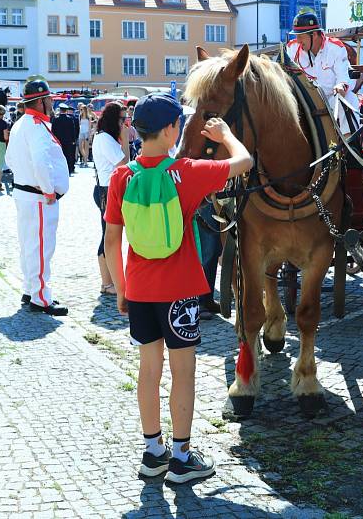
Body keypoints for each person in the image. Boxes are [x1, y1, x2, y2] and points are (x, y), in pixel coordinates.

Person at [103, 94, 252, 483]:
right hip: (180, 288)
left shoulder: (122, 176)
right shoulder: (185, 172)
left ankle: (154, 453)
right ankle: (182, 457)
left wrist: (120, 288)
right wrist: (227, 135)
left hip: (138, 288)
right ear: (171, 130)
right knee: (183, 372)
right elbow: (244, 162)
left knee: (148, 369)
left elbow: (112, 240)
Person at [5, 77, 70, 316]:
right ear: (41, 101)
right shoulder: (35, 125)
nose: (52, 102)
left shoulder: (22, 123)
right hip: (38, 196)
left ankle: (31, 288)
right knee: (41, 247)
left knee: (29, 245)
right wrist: (48, 189)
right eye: (49, 99)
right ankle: (41, 297)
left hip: (25, 193)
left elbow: (10, 159)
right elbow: (41, 162)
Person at [287, 10, 360, 133]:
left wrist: (340, 86)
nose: (298, 40)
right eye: (296, 36)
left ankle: (349, 145)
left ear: (314, 34)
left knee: (349, 99)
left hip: (332, 100)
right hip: (305, 102)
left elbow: (343, 77)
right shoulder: (291, 48)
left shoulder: (335, 47)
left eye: (300, 36)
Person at [91, 101, 130, 295]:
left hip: (107, 189)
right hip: (106, 190)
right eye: (122, 119)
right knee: (109, 236)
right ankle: (107, 283)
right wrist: (125, 141)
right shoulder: (105, 138)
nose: (124, 123)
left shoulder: (104, 137)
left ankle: (108, 282)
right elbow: (125, 164)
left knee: (110, 235)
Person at [52, 103, 78, 175]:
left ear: (60, 110)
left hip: (59, 141)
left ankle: (60, 170)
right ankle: (69, 169)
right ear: (66, 111)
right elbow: (73, 130)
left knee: (60, 155)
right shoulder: (70, 119)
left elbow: (53, 131)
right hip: (68, 140)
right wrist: (73, 140)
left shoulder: (56, 119)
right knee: (68, 155)